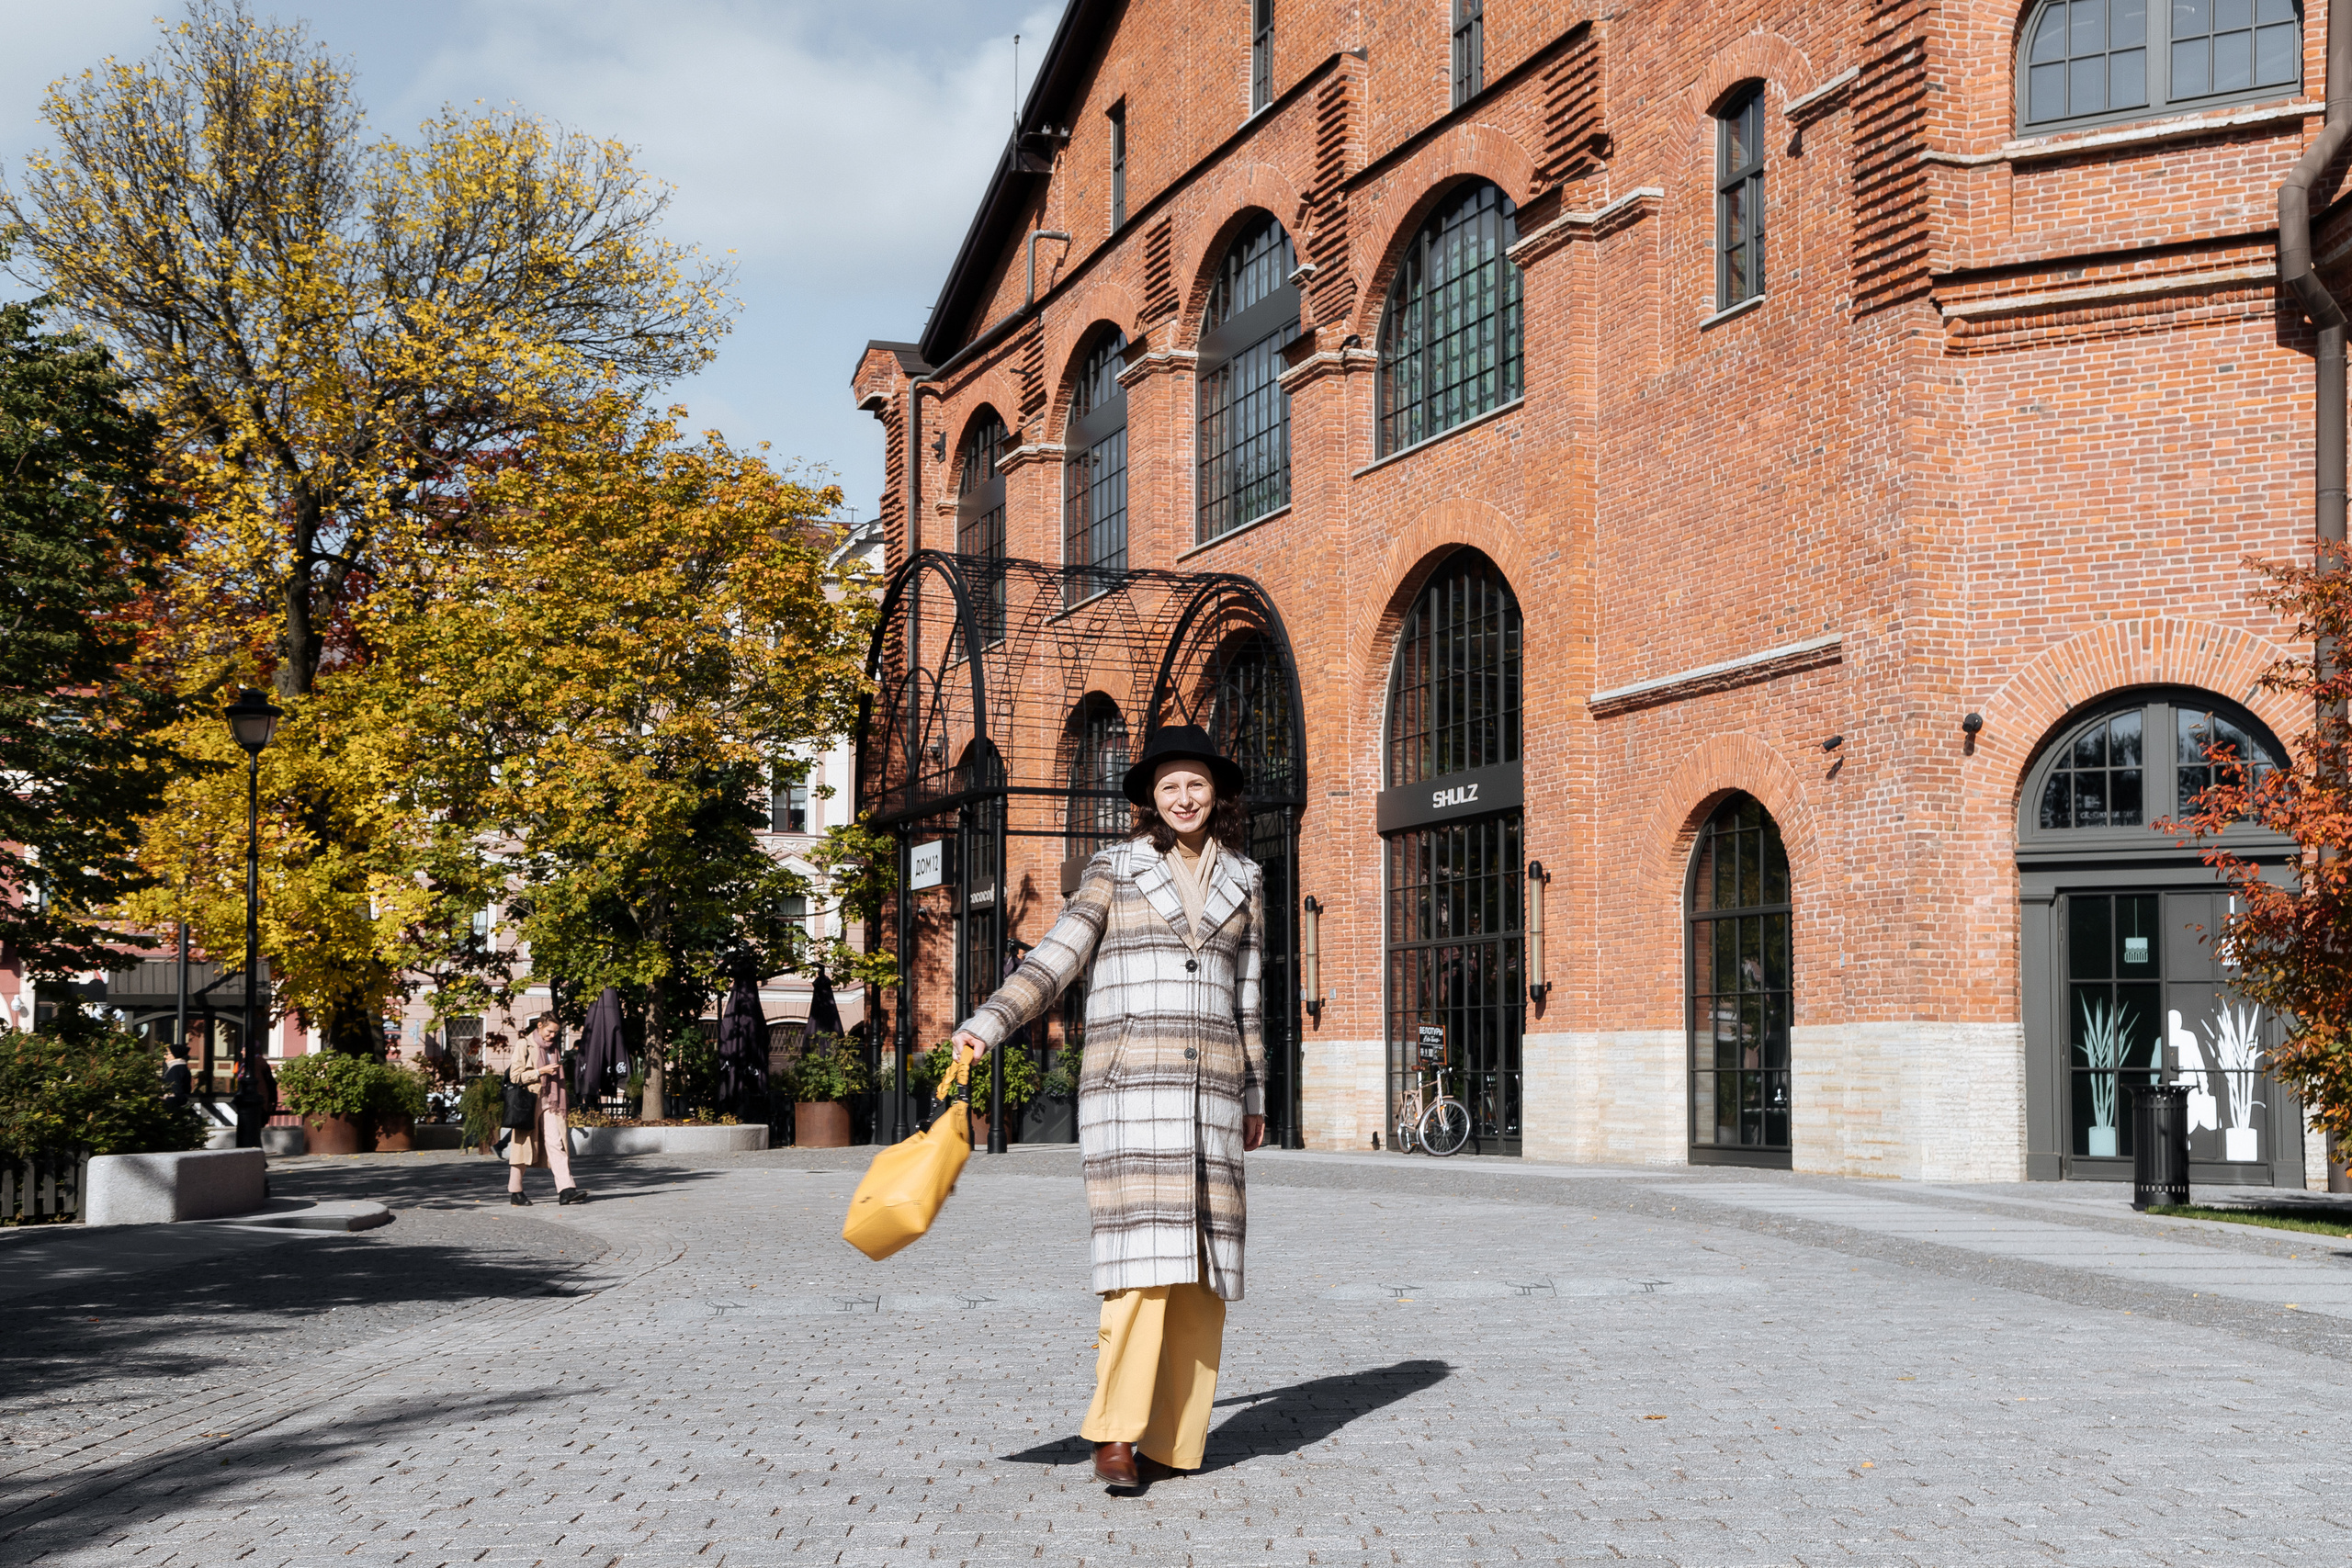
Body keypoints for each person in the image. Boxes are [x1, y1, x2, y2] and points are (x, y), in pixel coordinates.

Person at [950, 723, 1265, 1495]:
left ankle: (1174, 1439)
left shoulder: (1249, 879)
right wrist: (989, 1022)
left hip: (1215, 1093)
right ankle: (1117, 1434)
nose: (1185, 797)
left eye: (1196, 784)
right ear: (1151, 800)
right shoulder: (1115, 867)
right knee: (1139, 1273)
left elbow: (1249, 994)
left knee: (1202, 1275)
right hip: (1133, 1093)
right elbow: (1058, 955)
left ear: (1214, 792)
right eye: (1170, 787)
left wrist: (1255, 1090)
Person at [506, 1016, 587, 1206]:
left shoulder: (553, 1048)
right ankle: (516, 1192)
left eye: (556, 1033)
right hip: (528, 1101)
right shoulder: (524, 1044)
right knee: (522, 1147)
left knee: (556, 1142)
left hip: (551, 1101)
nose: (552, 1036)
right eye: (549, 1032)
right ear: (539, 1025)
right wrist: (540, 1072)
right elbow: (515, 1076)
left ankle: (566, 1190)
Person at [162, 1041, 192, 1111]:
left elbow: (176, 1090)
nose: (165, 1056)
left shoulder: (176, 1068)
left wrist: (165, 1100)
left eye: (167, 1054)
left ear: (175, 1055)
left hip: (172, 1107)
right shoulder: (181, 1067)